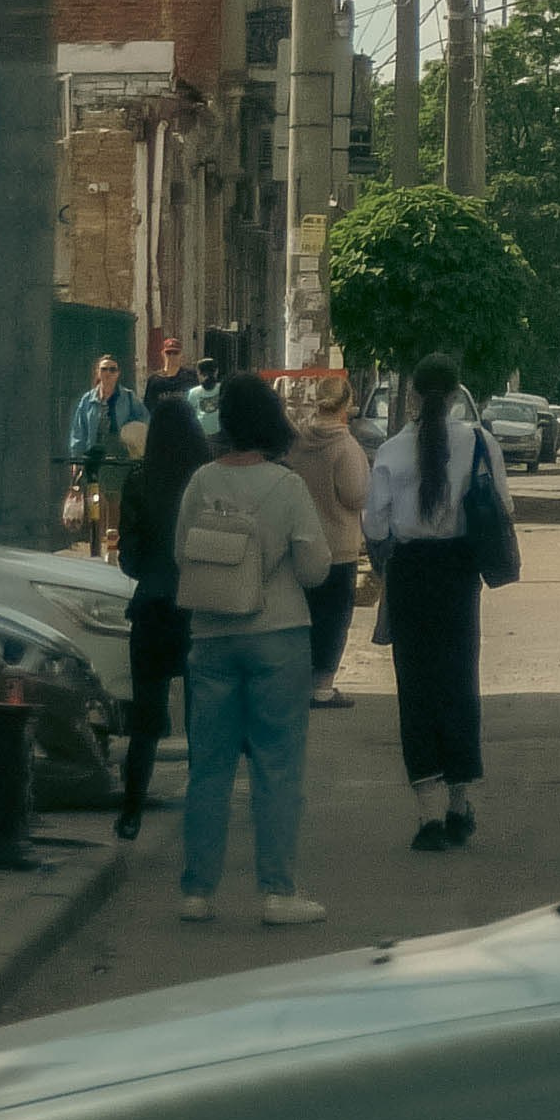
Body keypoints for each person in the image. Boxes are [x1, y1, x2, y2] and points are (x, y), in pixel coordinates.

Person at [172, 372, 329, 928]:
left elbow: (179, 556)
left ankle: (196, 891)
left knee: (208, 768)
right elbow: (313, 570)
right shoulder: (285, 487)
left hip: (210, 638)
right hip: (278, 636)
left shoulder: (199, 482)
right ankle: (277, 892)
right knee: (277, 766)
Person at [363, 355, 512, 853]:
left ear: (412, 396)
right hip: (458, 573)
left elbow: (375, 525)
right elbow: (503, 508)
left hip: (409, 575)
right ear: (454, 395)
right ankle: (458, 803)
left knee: (416, 689)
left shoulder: (390, 451)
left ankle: (427, 815)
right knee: (458, 685)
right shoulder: (479, 443)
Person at [111, 383, 210, 839]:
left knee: (146, 720)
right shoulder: (206, 480)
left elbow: (127, 559)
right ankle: (203, 807)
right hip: (198, 608)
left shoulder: (138, 481)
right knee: (202, 717)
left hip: (151, 606)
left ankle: (131, 811)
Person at [289, 372, 371, 708]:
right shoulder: (345, 447)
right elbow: (355, 495)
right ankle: (322, 686)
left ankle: (295, 681)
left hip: (299, 542)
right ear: (346, 405)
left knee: (302, 616)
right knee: (333, 618)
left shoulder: (297, 440)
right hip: (337, 546)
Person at [66, 354, 147, 559]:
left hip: (119, 454)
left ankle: (112, 545)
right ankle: (97, 545)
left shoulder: (128, 398)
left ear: (118, 373)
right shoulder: (88, 400)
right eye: (104, 369)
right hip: (94, 454)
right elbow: (78, 431)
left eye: (113, 369)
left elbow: (145, 421)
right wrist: (76, 459)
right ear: (98, 373)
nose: (109, 373)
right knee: (96, 500)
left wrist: (132, 436)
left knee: (115, 501)